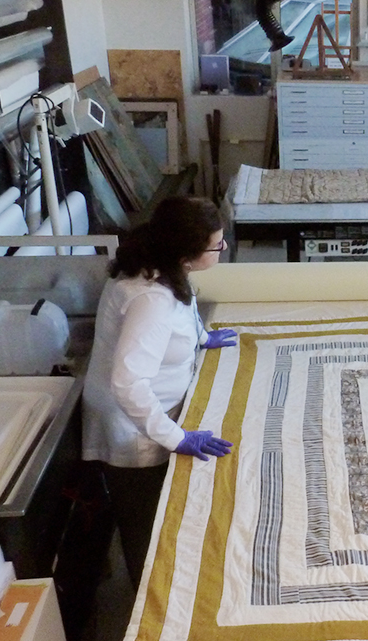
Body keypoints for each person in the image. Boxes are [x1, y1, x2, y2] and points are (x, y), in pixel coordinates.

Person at [82, 195, 238, 588]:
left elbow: (182, 307)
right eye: (216, 245)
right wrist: (177, 437)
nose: (222, 249)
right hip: (133, 427)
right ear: (187, 252)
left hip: (154, 408)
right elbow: (128, 382)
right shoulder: (150, 299)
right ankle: (152, 596)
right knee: (145, 523)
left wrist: (201, 336)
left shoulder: (161, 264)